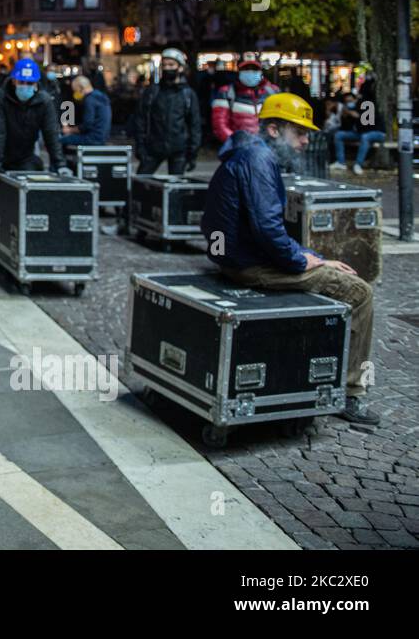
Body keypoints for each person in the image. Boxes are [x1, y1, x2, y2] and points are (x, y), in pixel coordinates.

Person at [200, 93, 379, 426]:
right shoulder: (258, 160)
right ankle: (353, 392)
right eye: (299, 132)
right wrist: (307, 263)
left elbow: (262, 230)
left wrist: (312, 257)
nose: (305, 140)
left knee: (324, 262)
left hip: (236, 257)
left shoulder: (246, 153)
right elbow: (268, 230)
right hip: (249, 267)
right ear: (273, 130)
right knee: (360, 294)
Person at [0, 58, 65, 177]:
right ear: (13, 81)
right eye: (21, 82)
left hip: (24, 157)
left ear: (36, 83)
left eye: (30, 83)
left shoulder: (44, 101)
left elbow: (51, 133)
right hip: (0, 155)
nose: (25, 86)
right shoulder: (0, 97)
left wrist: (60, 164)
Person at [134, 47, 201, 175]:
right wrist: (140, 146)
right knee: (140, 182)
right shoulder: (152, 91)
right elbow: (140, 120)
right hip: (153, 147)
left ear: (180, 67)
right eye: (164, 65)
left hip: (179, 149)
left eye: (171, 65)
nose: (167, 68)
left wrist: (193, 152)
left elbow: (195, 125)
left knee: (175, 190)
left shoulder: (188, 94)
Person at [211, 52, 279, 143]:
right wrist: (236, 143)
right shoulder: (226, 93)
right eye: (246, 69)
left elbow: (280, 121)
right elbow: (220, 125)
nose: (250, 72)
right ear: (239, 71)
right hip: (239, 151)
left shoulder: (273, 92)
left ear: (260, 71)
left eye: (254, 69)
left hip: (268, 148)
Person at [331, 88, 387, 175]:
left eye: (351, 100)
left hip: (376, 132)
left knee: (365, 137)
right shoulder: (348, 110)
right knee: (339, 135)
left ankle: (358, 164)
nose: (349, 103)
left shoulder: (366, 105)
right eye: (347, 101)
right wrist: (345, 116)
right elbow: (346, 128)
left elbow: (368, 124)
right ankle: (340, 162)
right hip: (360, 133)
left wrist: (357, 117)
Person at [61, 75, 111, 146]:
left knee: (60, 140)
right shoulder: (100, 95)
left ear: (81, 88)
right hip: (103, 137)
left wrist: (70, 130)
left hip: (93, 139)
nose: (75, 94)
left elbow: (87, 125)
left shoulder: (89, 100)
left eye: (75, 91)